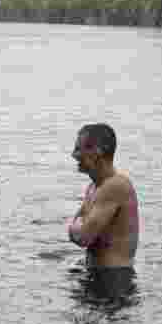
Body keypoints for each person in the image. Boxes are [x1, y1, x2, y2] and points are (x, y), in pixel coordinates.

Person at [67, 123, 140, 298]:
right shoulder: (94, 187)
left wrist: (76, 226)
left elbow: (82, 236)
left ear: (98, 151)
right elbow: (76, 231)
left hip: (114, 280)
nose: (73, 155)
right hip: (97, 274)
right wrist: (77, 227)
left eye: (79, 149)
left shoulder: (115, 185)